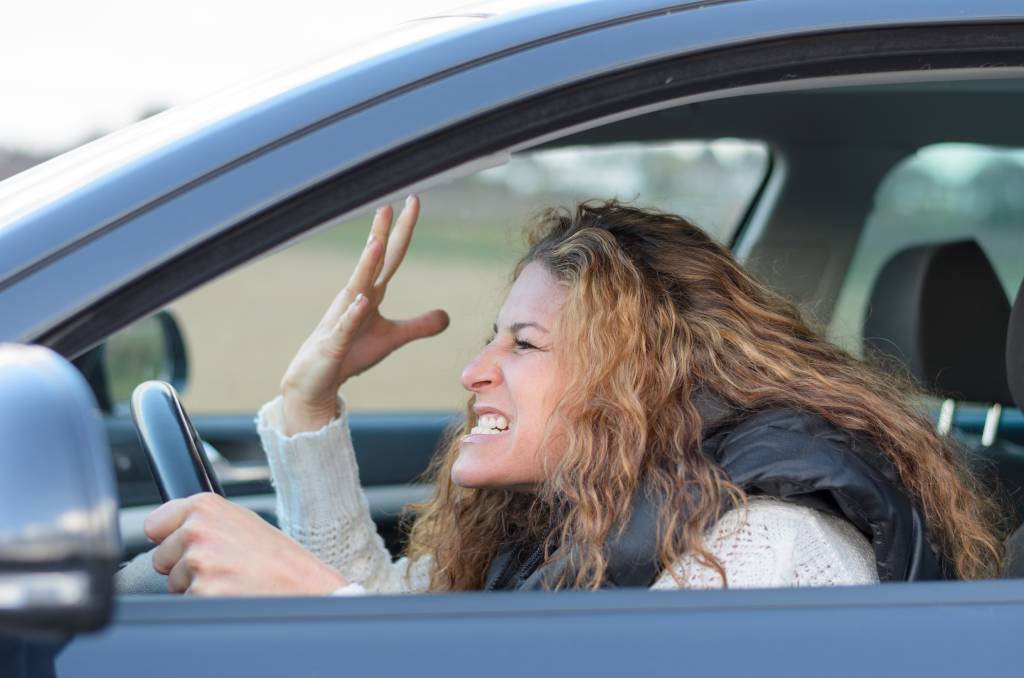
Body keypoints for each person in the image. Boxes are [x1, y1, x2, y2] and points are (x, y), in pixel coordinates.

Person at [143, 197, 1003, 595]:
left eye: (524, 343)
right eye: (492, 335)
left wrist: (316, 612)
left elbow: (359, 625)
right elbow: (389, 613)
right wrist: (306, 406)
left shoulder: (774, 555)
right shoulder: (578, 521)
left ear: (642, 376)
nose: (474, 369)